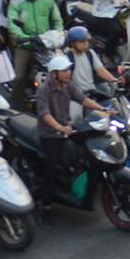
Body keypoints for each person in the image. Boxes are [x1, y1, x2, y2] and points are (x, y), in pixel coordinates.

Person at [33, 55, 104, 220]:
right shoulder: (44, 90)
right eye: (64, 70)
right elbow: (44, 114)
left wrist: (102, 109)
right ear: (54, 74)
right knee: (50, 170)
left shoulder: (67, 85)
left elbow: (82, 99)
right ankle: (46, 208)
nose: (68, 73)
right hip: (49, 134)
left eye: (69, 69)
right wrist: (59, 127)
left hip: (67, 129)